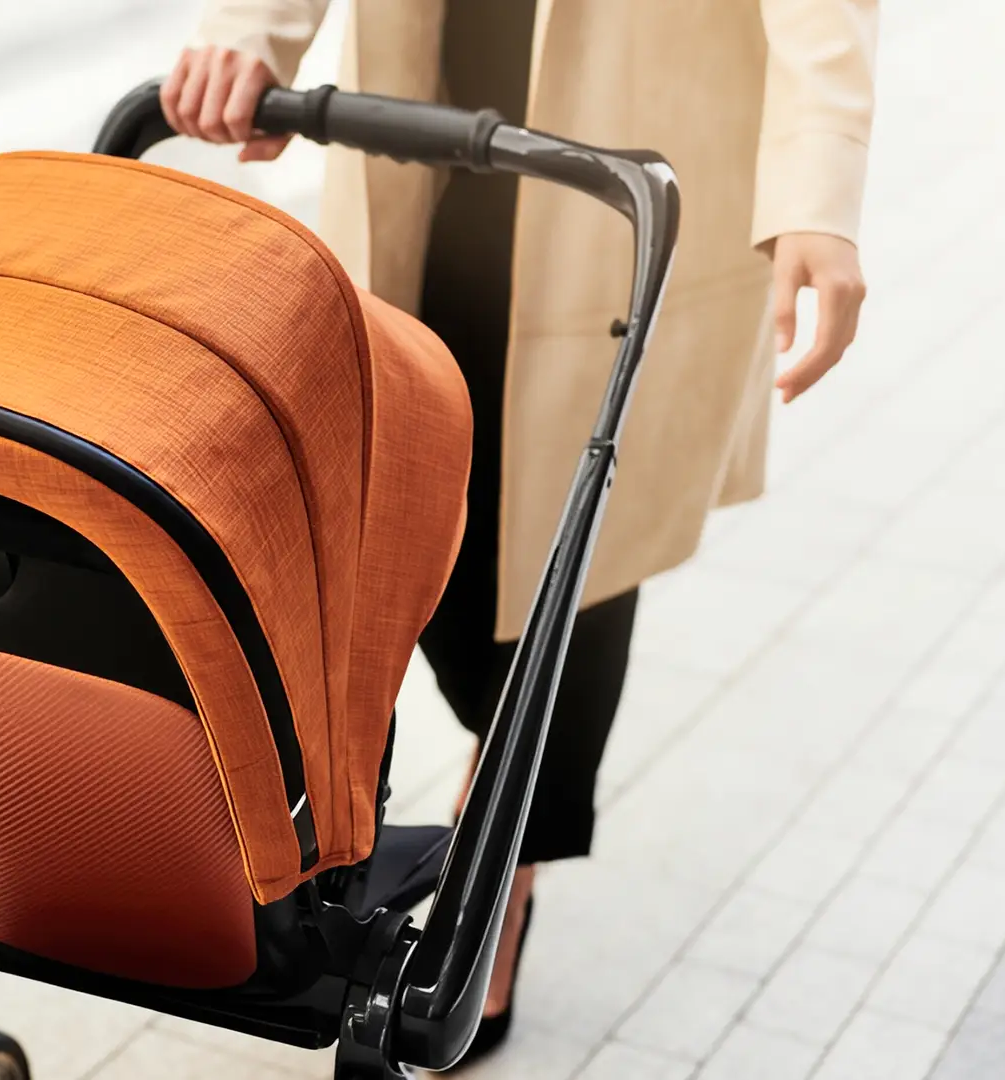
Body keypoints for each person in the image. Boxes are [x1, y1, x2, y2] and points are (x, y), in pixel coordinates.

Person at [164, 0, 876, 1062]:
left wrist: (821, 187)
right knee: (395, 518)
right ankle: (393, 829)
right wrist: (255, 35)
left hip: (626, 156)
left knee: (571, 567)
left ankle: (502, 870)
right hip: (424, 126)